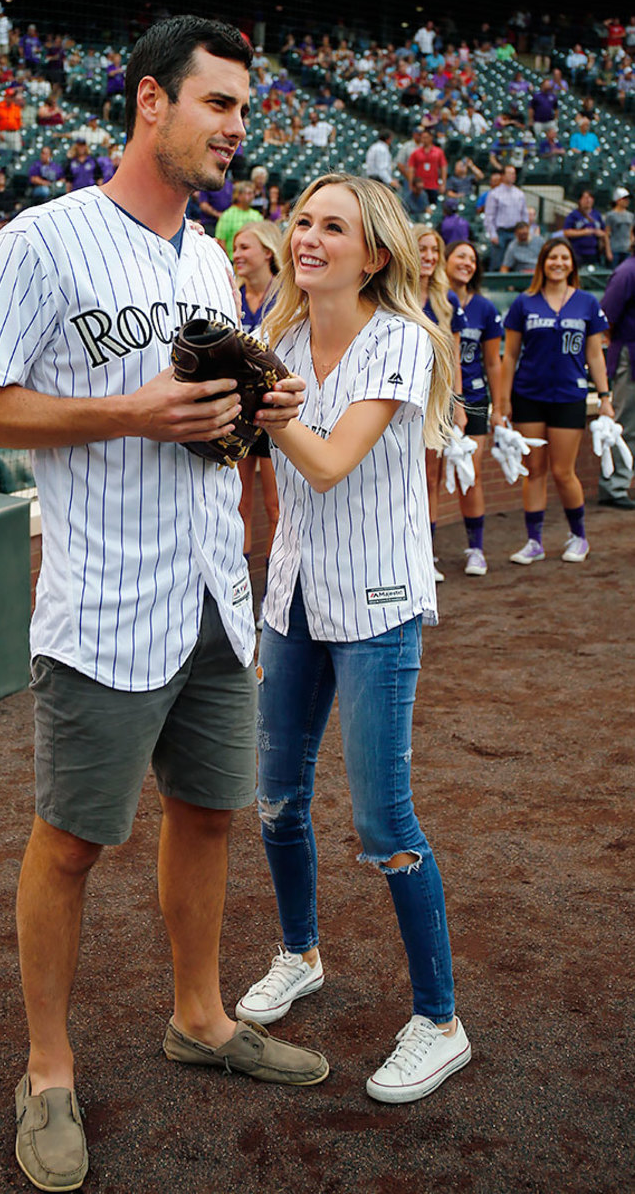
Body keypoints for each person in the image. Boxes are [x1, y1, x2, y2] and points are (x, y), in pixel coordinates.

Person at [0, 17, 328, 1193]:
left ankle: (199, 1017)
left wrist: (250, 413)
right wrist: (130, 413)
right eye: (217, 104)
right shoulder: (42, 240)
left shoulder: (208, 257)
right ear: (151, 102)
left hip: (212, 591)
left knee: (207, 815)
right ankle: (47, 1070)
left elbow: (197, 420)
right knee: (72, 841)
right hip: (105, 598)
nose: (235, 127)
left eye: (242, 109)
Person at [234, 174, 471, 1104]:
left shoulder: (402, 340)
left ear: (373, 253)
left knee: (383, 821)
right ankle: (300, 953)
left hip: (379, 605)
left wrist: (265, 407)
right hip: (293, 598)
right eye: (302, 221)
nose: (308, 237)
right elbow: (259, 460)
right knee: (275, 799)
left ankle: (440, 1021)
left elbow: (328, 464)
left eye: (333, 227)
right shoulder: (282, 340)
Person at [498, 238, 613, 564]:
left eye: (564, 257)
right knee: (534, 470)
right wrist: (503, 401)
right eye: (552, 257)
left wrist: (604, 396)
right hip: (528, 395)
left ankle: (579, 537)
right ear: (542, 263)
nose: (558, 263)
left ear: (572, 264)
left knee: (563, 471)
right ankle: (534, 542)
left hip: (569, 395)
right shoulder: (524, 302)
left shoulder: (587, 302)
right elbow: (510, 356)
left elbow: (595, 354)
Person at [444, 240, 504, 574]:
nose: (467, 263)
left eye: (472, 259)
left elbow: (493, 362)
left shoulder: (485, 308)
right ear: (445, 260)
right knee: (429, 477)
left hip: (475, 399)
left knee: (472, 473)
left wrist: (499, 407)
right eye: (461, 256)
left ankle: (476, 548)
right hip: (436, 400)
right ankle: (426, 551)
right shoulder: (431, 301)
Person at [232, 220, 282, 611]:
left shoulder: (288, 295)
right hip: (240, 411)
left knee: (276, 508)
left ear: (267, 251)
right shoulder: (229, 294)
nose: (237, 255)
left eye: (244, 247)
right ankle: (242, 595)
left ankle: (273, 595)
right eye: (234, 248)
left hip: (278, 413)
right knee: (239, 505)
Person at [415, 225, 466, 581]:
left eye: (435, 250)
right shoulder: (391, 294)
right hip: (397, 399)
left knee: (429, 478)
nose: (430, 257)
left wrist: (457, 405)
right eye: (423, 249)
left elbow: (454, 358)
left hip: (436, 400)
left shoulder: (446, 301)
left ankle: (426, 554)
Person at [598, 226, 635, 508]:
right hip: (629, 354)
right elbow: (605, 317)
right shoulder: (627, 271)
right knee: (625, 423)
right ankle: (614, 486)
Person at [483, 165, 528, 270]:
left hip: (516, 232)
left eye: (514, 173)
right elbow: (489, 216)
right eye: (510, 173)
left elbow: (524, 214)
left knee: (516, 263)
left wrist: (525, 230)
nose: (513, 176)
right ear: (502, 176)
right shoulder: (494, 194)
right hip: (501, 233)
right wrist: (493, 234)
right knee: (497, 264)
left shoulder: (519, 194)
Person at [214, 180, 262, 260]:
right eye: (248, 193)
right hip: (232, 260)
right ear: (238, 195)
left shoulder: (257, 216)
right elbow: (221, 240)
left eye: (252, 193)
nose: (251, 196)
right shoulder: (228, 215)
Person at [563, 190, 611, 269]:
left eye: (590, 198)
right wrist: (584, 232)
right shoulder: (573, 215)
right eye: (585, 198)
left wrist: (600, 233)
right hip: (578, 252)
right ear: (580, 200)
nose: (588, 200)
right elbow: (566, 232)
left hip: (594, 253)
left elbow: (605, 232)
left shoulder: (597, 215)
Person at [407, 129, 447, 205]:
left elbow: (443, 168)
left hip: (433, 185)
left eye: (426, 137)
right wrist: (411, 184)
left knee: (433, 206)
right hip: (420, 186)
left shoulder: (438, 152)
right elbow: (411, 169)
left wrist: (443, 184)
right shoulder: (416, 153)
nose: (424, 140)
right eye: (423, 137)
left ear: (431, 138)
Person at [606, 188, 634, 271]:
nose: (627, 201)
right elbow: (607, 234)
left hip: (627, 249)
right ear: (617, 200)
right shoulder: (611, 215)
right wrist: (608, 251)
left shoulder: (631, 216)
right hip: (615, 249)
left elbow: (631, 232)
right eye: (624, 199)